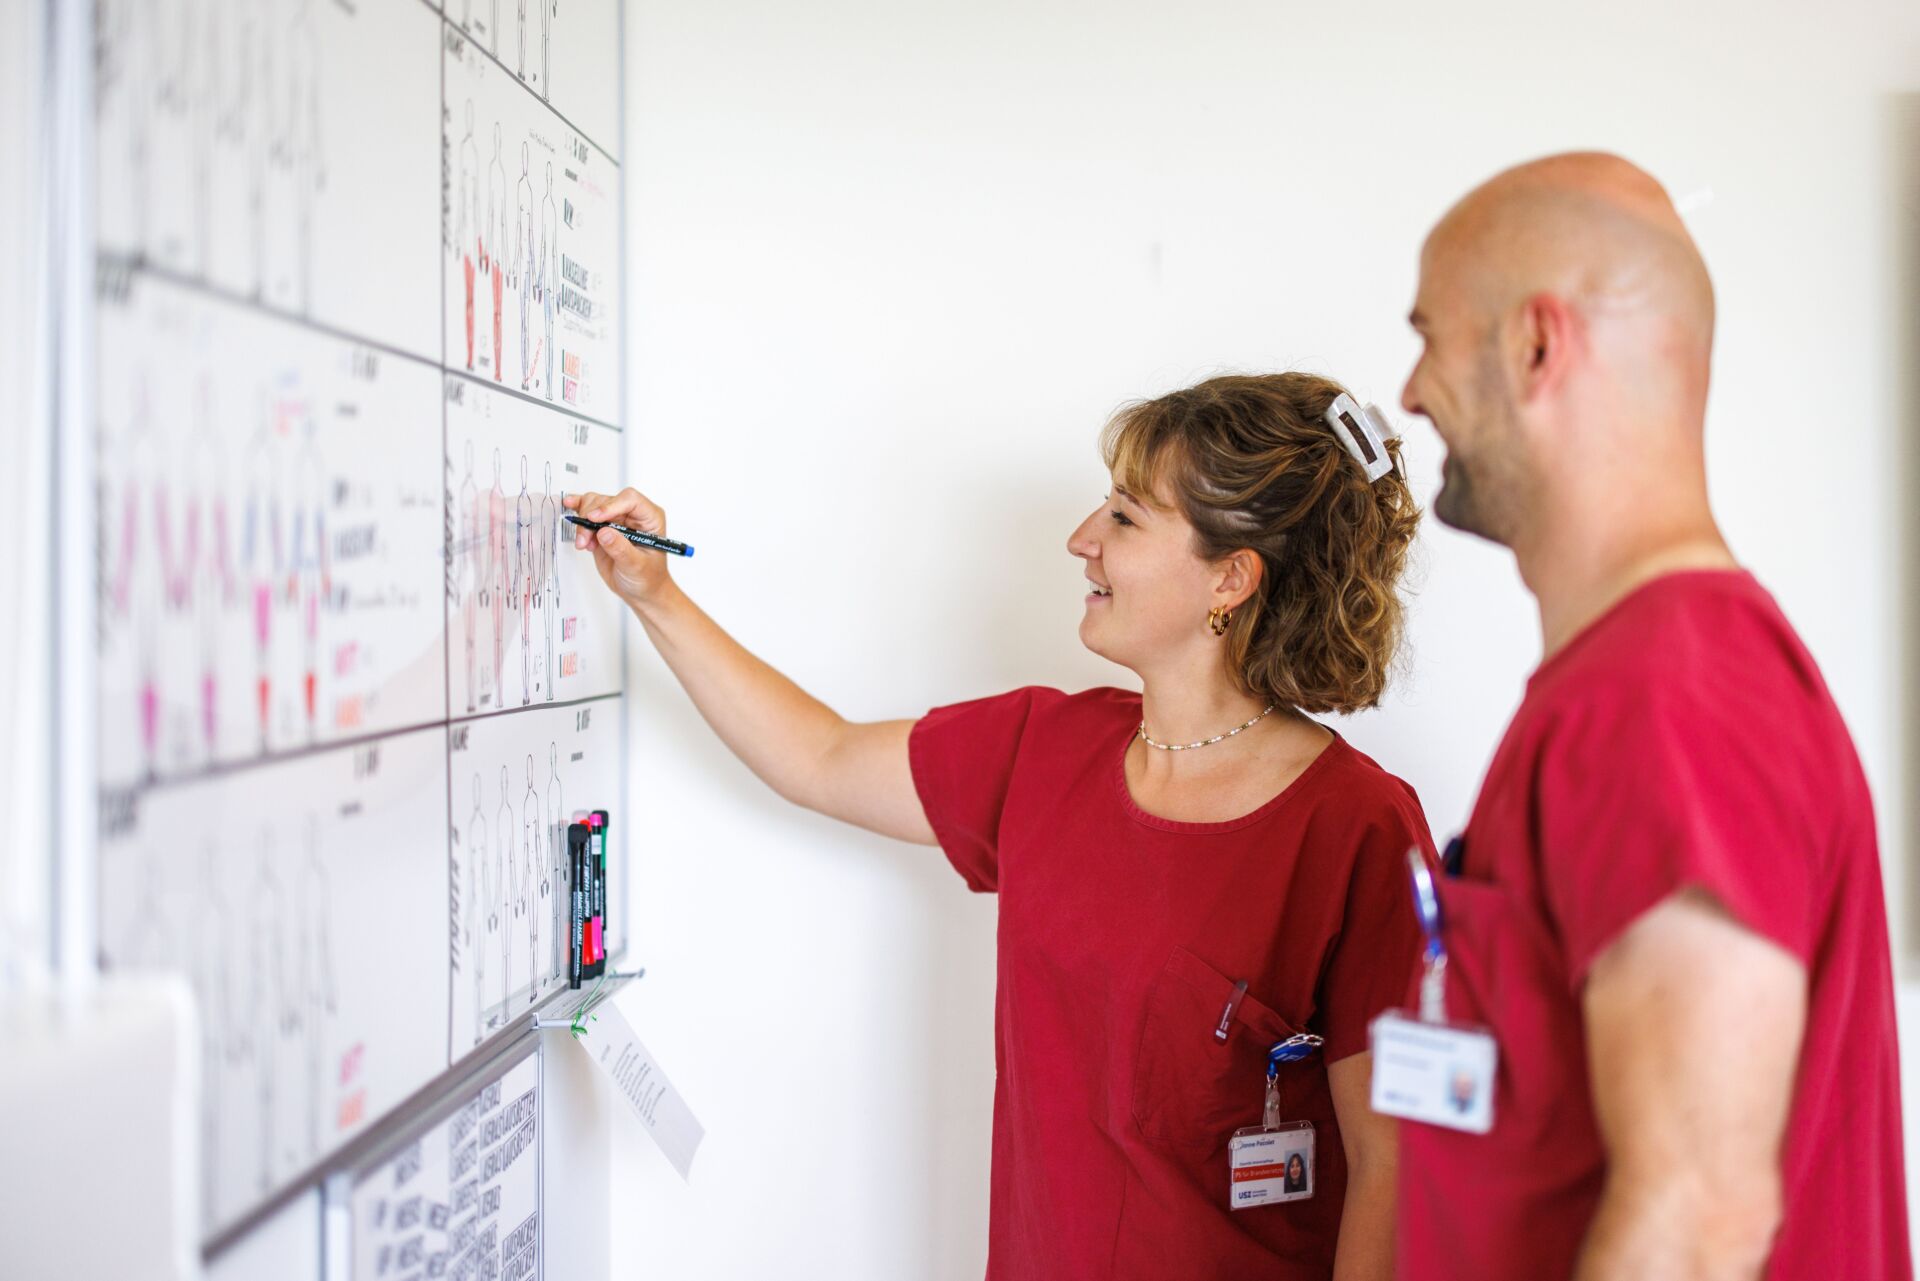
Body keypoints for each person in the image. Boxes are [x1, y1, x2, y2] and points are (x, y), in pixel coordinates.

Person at [567, 372, 1438, 1279]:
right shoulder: (1044, 749)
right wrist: (653, 595)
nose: (1081, 539)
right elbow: (817, 756)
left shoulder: (1360, 828)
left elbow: (1396, 1164)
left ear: (1230, 575)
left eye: (1127, 518)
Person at [1393, 151, 1910, 1279]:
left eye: (1429, 335)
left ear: (1538, 347)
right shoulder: (1643, 680)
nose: (1410, 391)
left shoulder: (1671, 696)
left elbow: (1698, 1216)